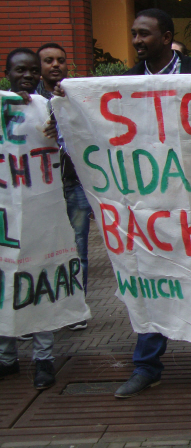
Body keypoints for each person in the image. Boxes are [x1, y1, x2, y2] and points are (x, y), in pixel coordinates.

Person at [114, 9, 191, 406]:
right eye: (133, 34)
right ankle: (146, 368)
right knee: (152, 280)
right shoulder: (124, 85)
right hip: (152, 208)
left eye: (144, 34)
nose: (136, 41)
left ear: (166, 37)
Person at [0, 48, 56, 390]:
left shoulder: (47, 107)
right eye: (20, 70)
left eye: (33, 70)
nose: (28, 76)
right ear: (7, 73)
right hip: (5, 215)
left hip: (40, 211)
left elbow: (69, 145)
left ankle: (43, 359)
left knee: (41, 281)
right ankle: (6, 358)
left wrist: (58, 131)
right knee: (6, 284)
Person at [36, 43, 91, 332]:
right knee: (39, 247)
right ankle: (39, 308)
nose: (55, 65)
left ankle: (76, 308)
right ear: (39, 66)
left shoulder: (75, 96)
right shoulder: (26, 102)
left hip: (74, 182)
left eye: (60, 60)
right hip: (41, 188)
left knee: (78, 246)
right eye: (48, 61)